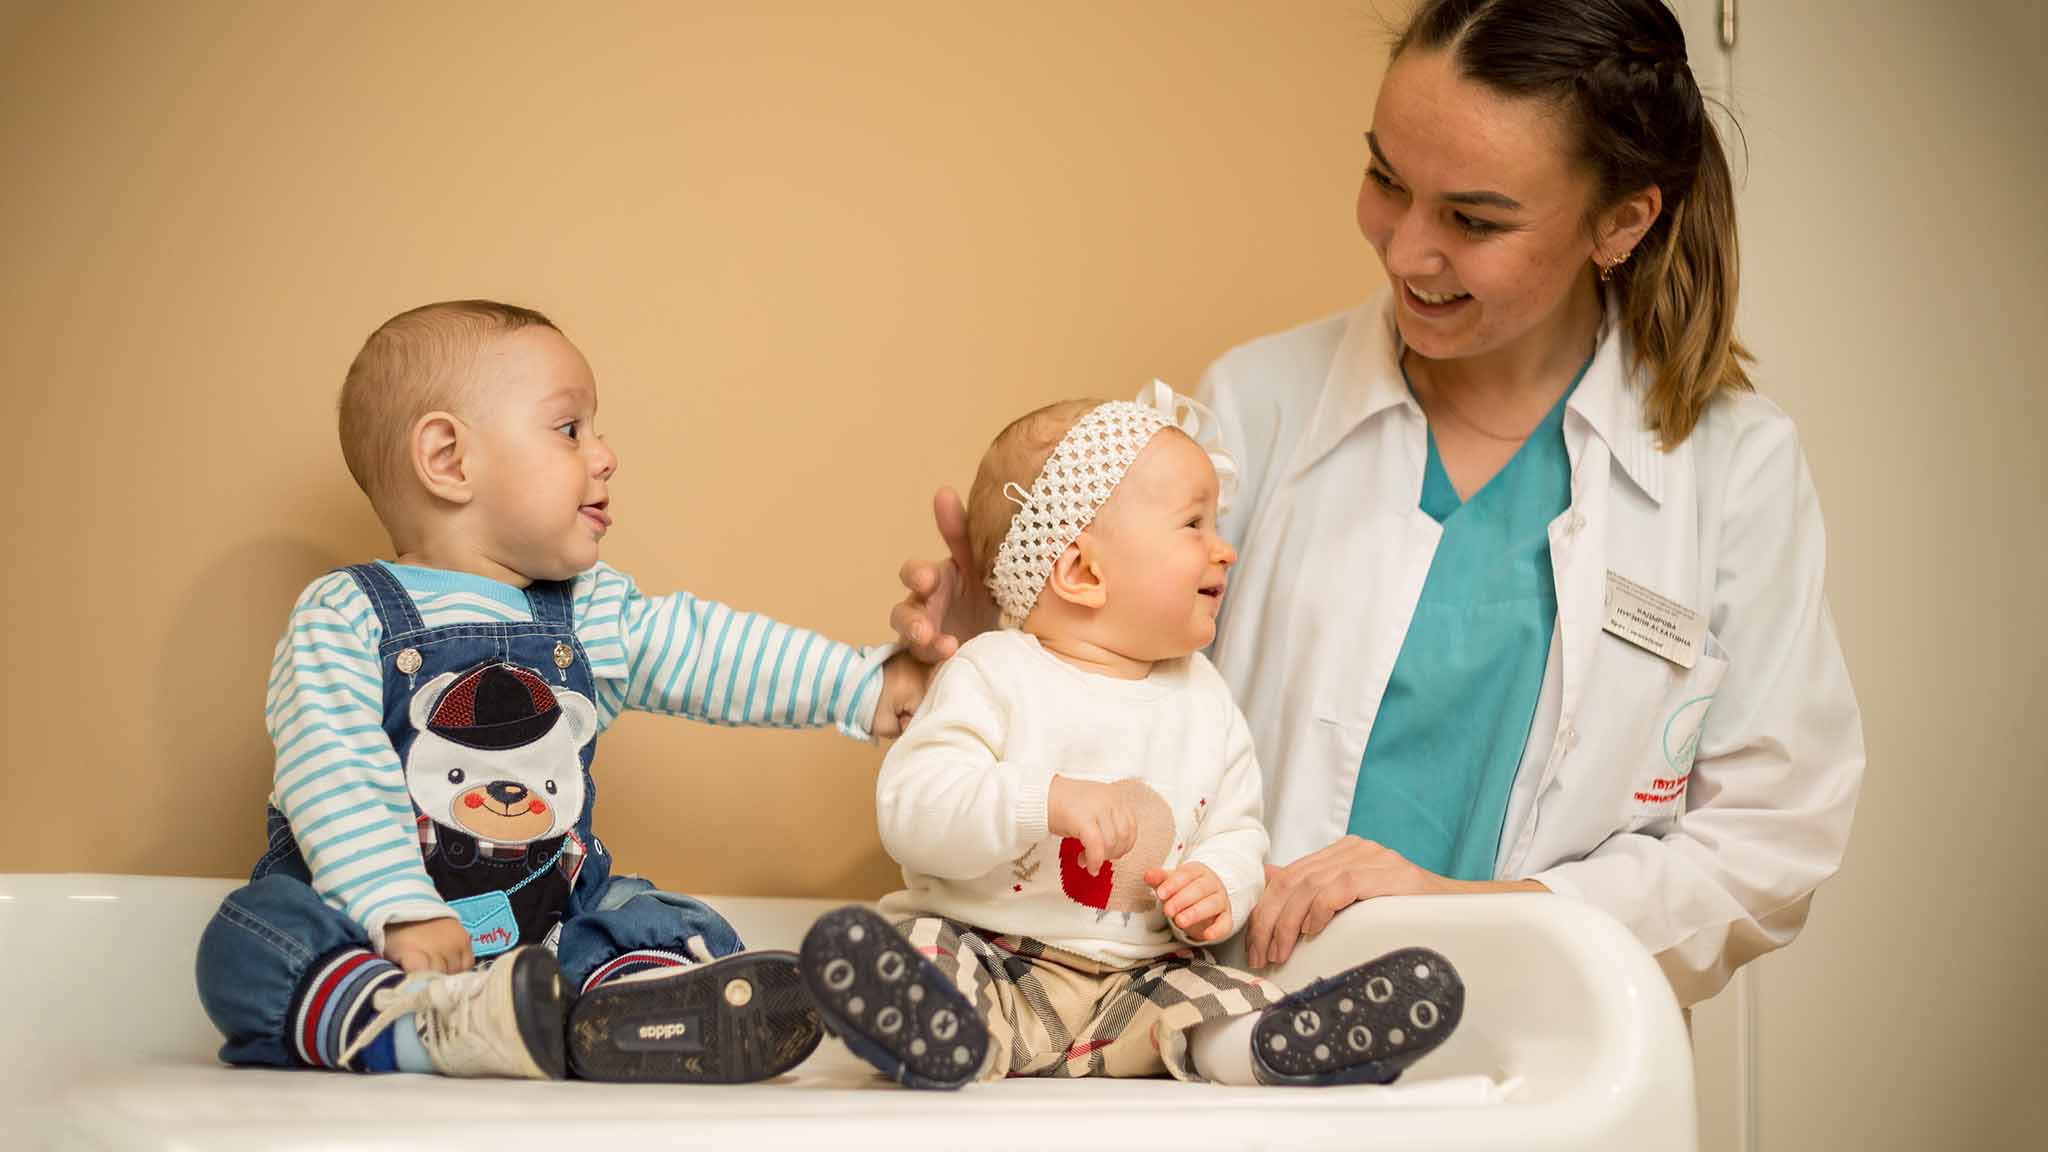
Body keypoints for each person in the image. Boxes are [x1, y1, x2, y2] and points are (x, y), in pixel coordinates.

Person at [889, 0, 1864, 1008]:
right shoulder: (1256, 404)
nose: (1404, 252)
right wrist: (1019, 642)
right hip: (1236, 1022)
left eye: (1473, 220)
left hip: (1543, 1034)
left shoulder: (1731, 468)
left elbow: (1768, 834)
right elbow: (1130, 729)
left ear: (1620, 221)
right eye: (1385, 180)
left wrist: (1481, 909)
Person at [194, 299, 929, 1083]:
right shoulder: (348, 614)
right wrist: (400, 908)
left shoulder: (587, 611)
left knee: (655, 917)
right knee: (254, 939)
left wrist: (865, 685)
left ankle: (622, 1008)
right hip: (382, 947)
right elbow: (331, 769)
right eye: (570, 428)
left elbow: (713, 651)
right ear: (449, 459)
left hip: (543, 935)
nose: (605, 455)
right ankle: (414, 1033)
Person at [801, 391, 1463, 1090]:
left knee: (1215, 1001)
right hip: (990, 950)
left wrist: (1219, 884)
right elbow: (914, 811)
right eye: (1194, 524)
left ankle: (1273, 1045)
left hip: (1138, 981)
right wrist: (1045, 800)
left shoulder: (1205, 699)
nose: (1225, 549)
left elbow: (1238, 832)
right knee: (929, 952)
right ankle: (938, 1035)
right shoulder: (992, 672)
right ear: (1084, 572)